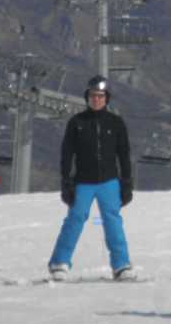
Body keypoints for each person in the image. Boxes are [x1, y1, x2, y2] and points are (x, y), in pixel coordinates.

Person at [48, 75, 135, 280]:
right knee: (75, 219)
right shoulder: (77, 123)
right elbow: (67, 154)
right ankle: (59, 263)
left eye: (101, 96)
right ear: (87, 97)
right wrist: (66, 181)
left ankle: (121, 265)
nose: (97, 99)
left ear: (107, 98)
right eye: (93, 96)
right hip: (83, 182)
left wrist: (127, 182)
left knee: (112, 221)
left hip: (109, 181)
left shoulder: (116, 123)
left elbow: (123, 154)